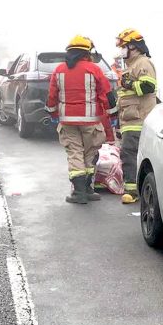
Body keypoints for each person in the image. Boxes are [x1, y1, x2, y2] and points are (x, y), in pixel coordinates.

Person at [46, 35, 114, 204]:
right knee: (90, 153)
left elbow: (52, 96)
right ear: (87, 52)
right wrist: (113, 116)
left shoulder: (59, 69)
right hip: (91, 121)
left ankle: (79, 192)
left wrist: (53, 114)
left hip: (68, 121)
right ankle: (89, 189)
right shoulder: (94, 69)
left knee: (75, 153)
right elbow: (106, 94)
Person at [114, 28, 157, 204]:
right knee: (131, 155)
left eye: (124, 46)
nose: (122, 50)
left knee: (129, 154)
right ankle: (137, 189)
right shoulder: (133, 65)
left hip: (138, 120)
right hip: (130, 120)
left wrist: (127, 82)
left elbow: (148, 86)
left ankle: (132, 191)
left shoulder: (142, 63)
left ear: (134, 46)